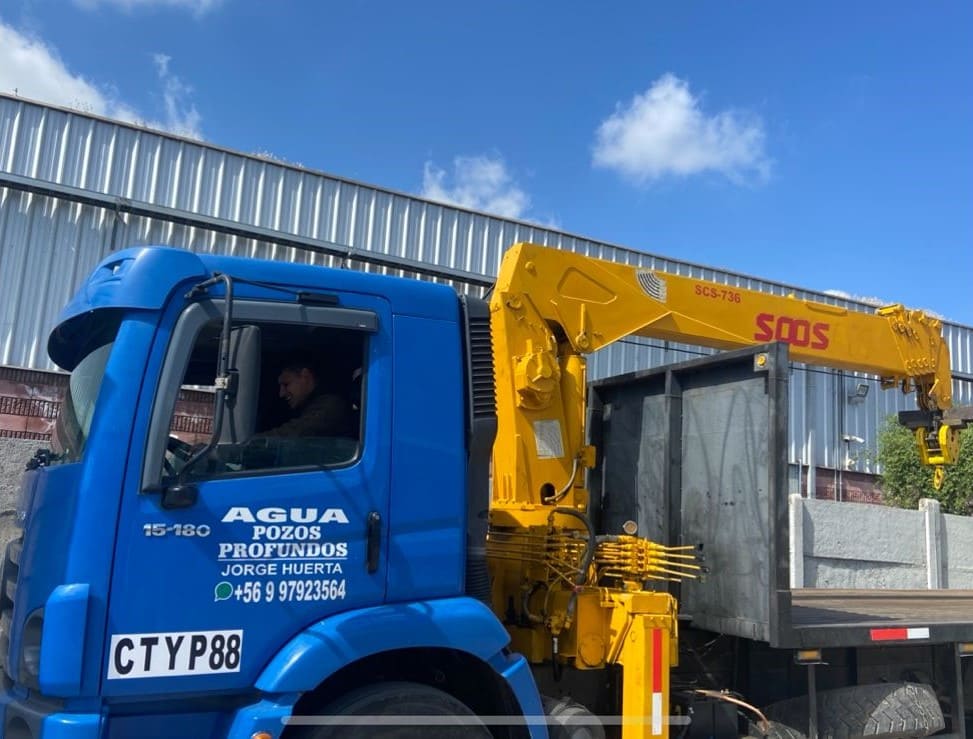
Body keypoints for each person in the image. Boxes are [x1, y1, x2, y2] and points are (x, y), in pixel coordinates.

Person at [261, 356, 354, 438]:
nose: (281, 394)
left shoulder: (331, 405)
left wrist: (255, 442)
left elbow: (297, 432)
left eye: (286, 384)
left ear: (305, 376)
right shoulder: (303, 405)